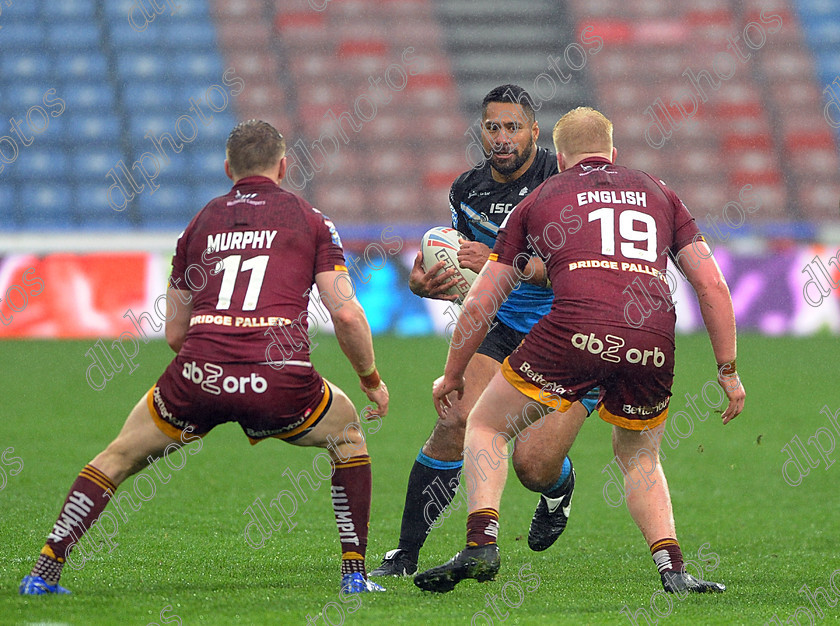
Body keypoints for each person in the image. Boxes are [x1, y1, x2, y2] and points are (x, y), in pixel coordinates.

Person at [19, 120, 389, 596]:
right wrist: (371, 378)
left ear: (227, 167)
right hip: (280, 377)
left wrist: (216, 365)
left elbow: (175, 332)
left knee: (117, 457)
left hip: (199, 372)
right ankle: (355, 576)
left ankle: (44, 571)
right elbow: (347, 315)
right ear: (283, 166)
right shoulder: (311, 219)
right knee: (349, 436)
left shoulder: (199, 223)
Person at [414, 107, 745, 594]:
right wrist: (728, 371)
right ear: (613, 153)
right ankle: (673, 571)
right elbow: (712, 286)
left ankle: (481, 542)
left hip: (576, 326)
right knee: (640, 457)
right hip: (651, 331)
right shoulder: (660, 192)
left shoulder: (542, 196)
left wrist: (452, 373)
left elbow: (484, 298)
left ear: (561, 157)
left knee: (485, 424)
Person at [371, 86, 597, 578]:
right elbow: (466, 270)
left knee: (532, 466)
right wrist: (429, 281)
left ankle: (559, 489)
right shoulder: (467, 191)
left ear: (535, 132)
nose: (502, 137)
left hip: (572, 331)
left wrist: (504, 263)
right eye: (493, 127)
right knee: (454, 422)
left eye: (513, 127)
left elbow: (581, 267)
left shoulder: (563, 181)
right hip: (507, 325)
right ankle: (406, 552)